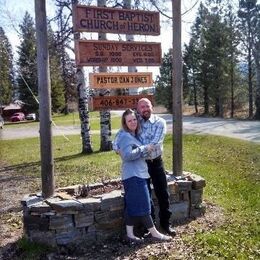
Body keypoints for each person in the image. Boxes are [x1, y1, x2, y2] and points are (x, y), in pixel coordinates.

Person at [114, 108, 171, 243]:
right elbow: (127, 156)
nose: (133, 122)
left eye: (134, 119)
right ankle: (155, 234)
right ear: (125, 122)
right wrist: (144, 148)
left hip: (138, 174)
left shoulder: (133, 135)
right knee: (145, 205)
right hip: (133, 175)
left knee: (131, 205)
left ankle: (129, 235)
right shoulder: (125, 136)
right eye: (129, 120)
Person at [137, 98, 176, 236]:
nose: (145, 109)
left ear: (151, 107)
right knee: (145, 195)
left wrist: (135, 151)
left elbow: (155, 143)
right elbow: (126, 135)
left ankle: (166, 223)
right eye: (142, 107)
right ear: (138, 109)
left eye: (147, 106)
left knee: (163, 194)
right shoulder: (136, 122)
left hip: (156, 163)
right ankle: (150, 226)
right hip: (141, 164)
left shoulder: (160, 122)